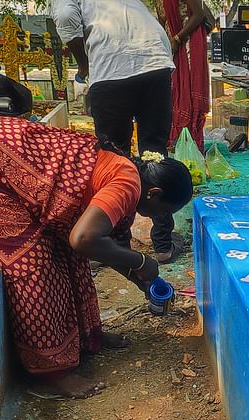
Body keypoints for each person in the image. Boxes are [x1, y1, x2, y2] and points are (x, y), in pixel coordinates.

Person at [0, 116, 194, 399]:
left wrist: (143, 281)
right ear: (154, 194)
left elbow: (107, 246)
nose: (161, 218)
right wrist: (141, 261)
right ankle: (51, 374)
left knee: (67, 254)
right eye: (164, 211)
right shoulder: (127, 184)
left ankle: (87, 336)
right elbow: (84, 239)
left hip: (1, 149)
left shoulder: (130, 175)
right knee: (34, 262)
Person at [55, 0, 183, 264]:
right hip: (154, 60)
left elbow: (66, 16)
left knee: (112, 160)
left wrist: (84, 65)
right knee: (154, 155)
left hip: (110, 65)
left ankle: (116, 244)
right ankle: (163, 244)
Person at [164, 0, 210, 151]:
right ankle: (176, 142)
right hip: (170, 44)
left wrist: (177, 38)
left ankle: (190, 145)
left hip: (187, 43)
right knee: (174, 92)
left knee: (188, 92)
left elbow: (199, 14)